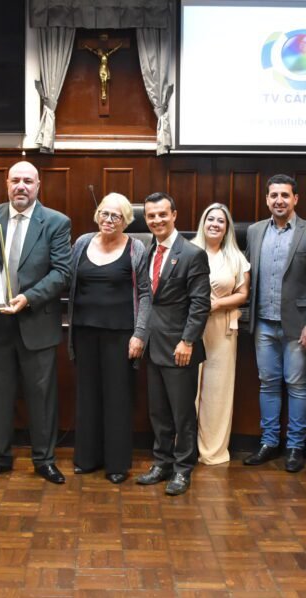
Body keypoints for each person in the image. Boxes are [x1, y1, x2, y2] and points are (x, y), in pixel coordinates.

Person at [0, 161, 71, 484]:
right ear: (6, 184)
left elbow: (62, 272)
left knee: (42, 396)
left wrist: (28, 297)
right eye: (15, 180)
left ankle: (44, 460)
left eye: (28, 181)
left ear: (38, 185)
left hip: (35, 321)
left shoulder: (56, 223)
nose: (21, 186)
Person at [243, 174, 306, 474]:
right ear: (267, 199)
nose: (279, 200)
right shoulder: (254, 232)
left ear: (296, 199)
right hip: (264, 323)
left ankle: (295, 447)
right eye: (274, 195)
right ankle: (268, 443)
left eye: (285, 195)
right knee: (267, 384)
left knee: (297, 385)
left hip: (298, 326)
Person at [67, 193, 150, 483]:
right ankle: (87, 459)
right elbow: (68, 280)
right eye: (104, 213)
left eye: (116, 215)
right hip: (84, 331)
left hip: (121, 335)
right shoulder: (81, 243)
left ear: (127, 220)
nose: (109, 219)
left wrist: (140, 334)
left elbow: (145, 294)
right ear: (97, 214)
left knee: (117, 398)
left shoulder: (136, 248)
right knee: (87, 397)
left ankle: (116, 464)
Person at [135, 192, 210, 495]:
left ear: (174, 214)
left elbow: (200, 304)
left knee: (182, 414)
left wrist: (188, 341)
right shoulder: (148, 251)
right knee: (159, 413)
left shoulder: (192, 253)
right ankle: (161, 463)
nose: (156, 220)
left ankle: (182, 469)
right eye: (151, 216)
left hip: (180, 348)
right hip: (154, 346)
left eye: (162, 214)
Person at [191, 203, 250, 465]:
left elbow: (243, 293)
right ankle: (184, 449)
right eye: (210, 219)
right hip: (190, 327)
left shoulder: (236, 257)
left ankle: (212, 451)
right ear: (203, 223)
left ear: (227, 228)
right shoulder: (189, 251)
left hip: (222, 326)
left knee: (217, 391)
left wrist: (216, 304)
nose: (215, 224)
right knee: (186, 389)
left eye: (221, 221)